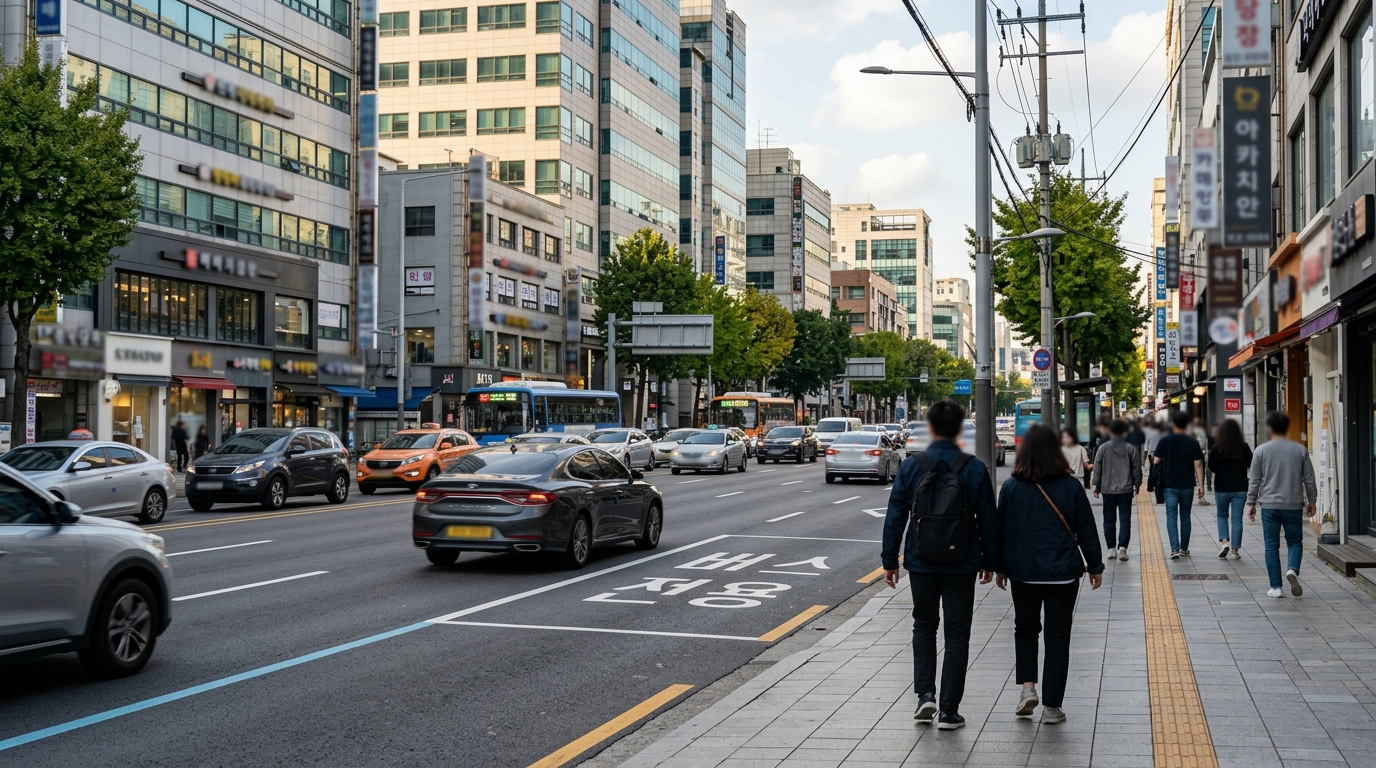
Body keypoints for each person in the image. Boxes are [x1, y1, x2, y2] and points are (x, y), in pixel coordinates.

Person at [881, 399, 997, 731]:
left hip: (921, 561)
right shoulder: (973, 468)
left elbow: (895, 517)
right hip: (962, 563)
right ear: (961, 429)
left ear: (930, 428)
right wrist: (991, 561)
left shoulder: (912, 466)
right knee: (958, 635)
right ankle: (949, 711)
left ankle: (925, 696)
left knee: (923, 626)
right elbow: (988, 521)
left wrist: (891, 560)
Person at [991, 424, 1105, 725]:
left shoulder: (1013, 487)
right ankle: (1053, 707)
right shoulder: (1070, 486)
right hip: (1063, 574)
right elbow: (1087, 530)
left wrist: (1000, 567)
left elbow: (1001, 531)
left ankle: (1028, 689)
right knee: (1058, 638)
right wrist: (1095, 566)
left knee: (1025, 630)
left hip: (1024, 573)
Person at [1247, 411, 1318, 598]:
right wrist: (1312, 501)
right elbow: (1309, 480)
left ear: (1270, 428)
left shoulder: (1260, 450)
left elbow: (1254, 480)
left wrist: (1251, 502)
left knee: (1271, 545)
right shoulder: (1300, 450)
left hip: (1269, 505)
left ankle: (1276, 587)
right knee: (1294, 541)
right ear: (1287, 427)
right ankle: (1292, 569)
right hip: (1293, 504)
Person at [1153, 410, 1206, 559]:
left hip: (1170, 484)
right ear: (1186, 424)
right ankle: (1184, 548)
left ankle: (1174, 549)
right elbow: (1198, 465)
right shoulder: (1192, 441)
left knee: (1171, 516)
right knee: (1185, 516)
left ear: (1173, 424)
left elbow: (1156, 460)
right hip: (1187, 485)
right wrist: (1201, 485)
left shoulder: (1165, 440)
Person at [1092, 419, 1142, 561]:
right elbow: (1136, 469)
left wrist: (1096, 485)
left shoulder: (1103, 448)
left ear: (1110, 431)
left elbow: (1097, 468)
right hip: (1125, 489)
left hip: (1108, 490)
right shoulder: (1130, 448)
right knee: (1125, 519)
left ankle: (1111, 549)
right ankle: (1123, 548)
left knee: (1109, 519)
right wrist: (1137, 485)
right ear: (1125, 432)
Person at [1209, 419, 1252, 560]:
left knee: (1221, 515)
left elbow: (1211, 467)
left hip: (1221, 487)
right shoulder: (1244, 447)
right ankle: (1235, 550)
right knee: (1236, 519)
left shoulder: (1216, 448)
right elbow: (1251, 463)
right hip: (1240, 487)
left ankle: (1225, 542)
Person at [1192, 418, 1212, 504]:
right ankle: (1200, 495)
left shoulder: (1195, 431)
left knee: (1198, 475)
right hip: (1199, 455)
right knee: (1200, 474)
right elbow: (1204, 444)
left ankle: (1199, 494)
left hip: (1197, 455)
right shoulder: (1199, 431)